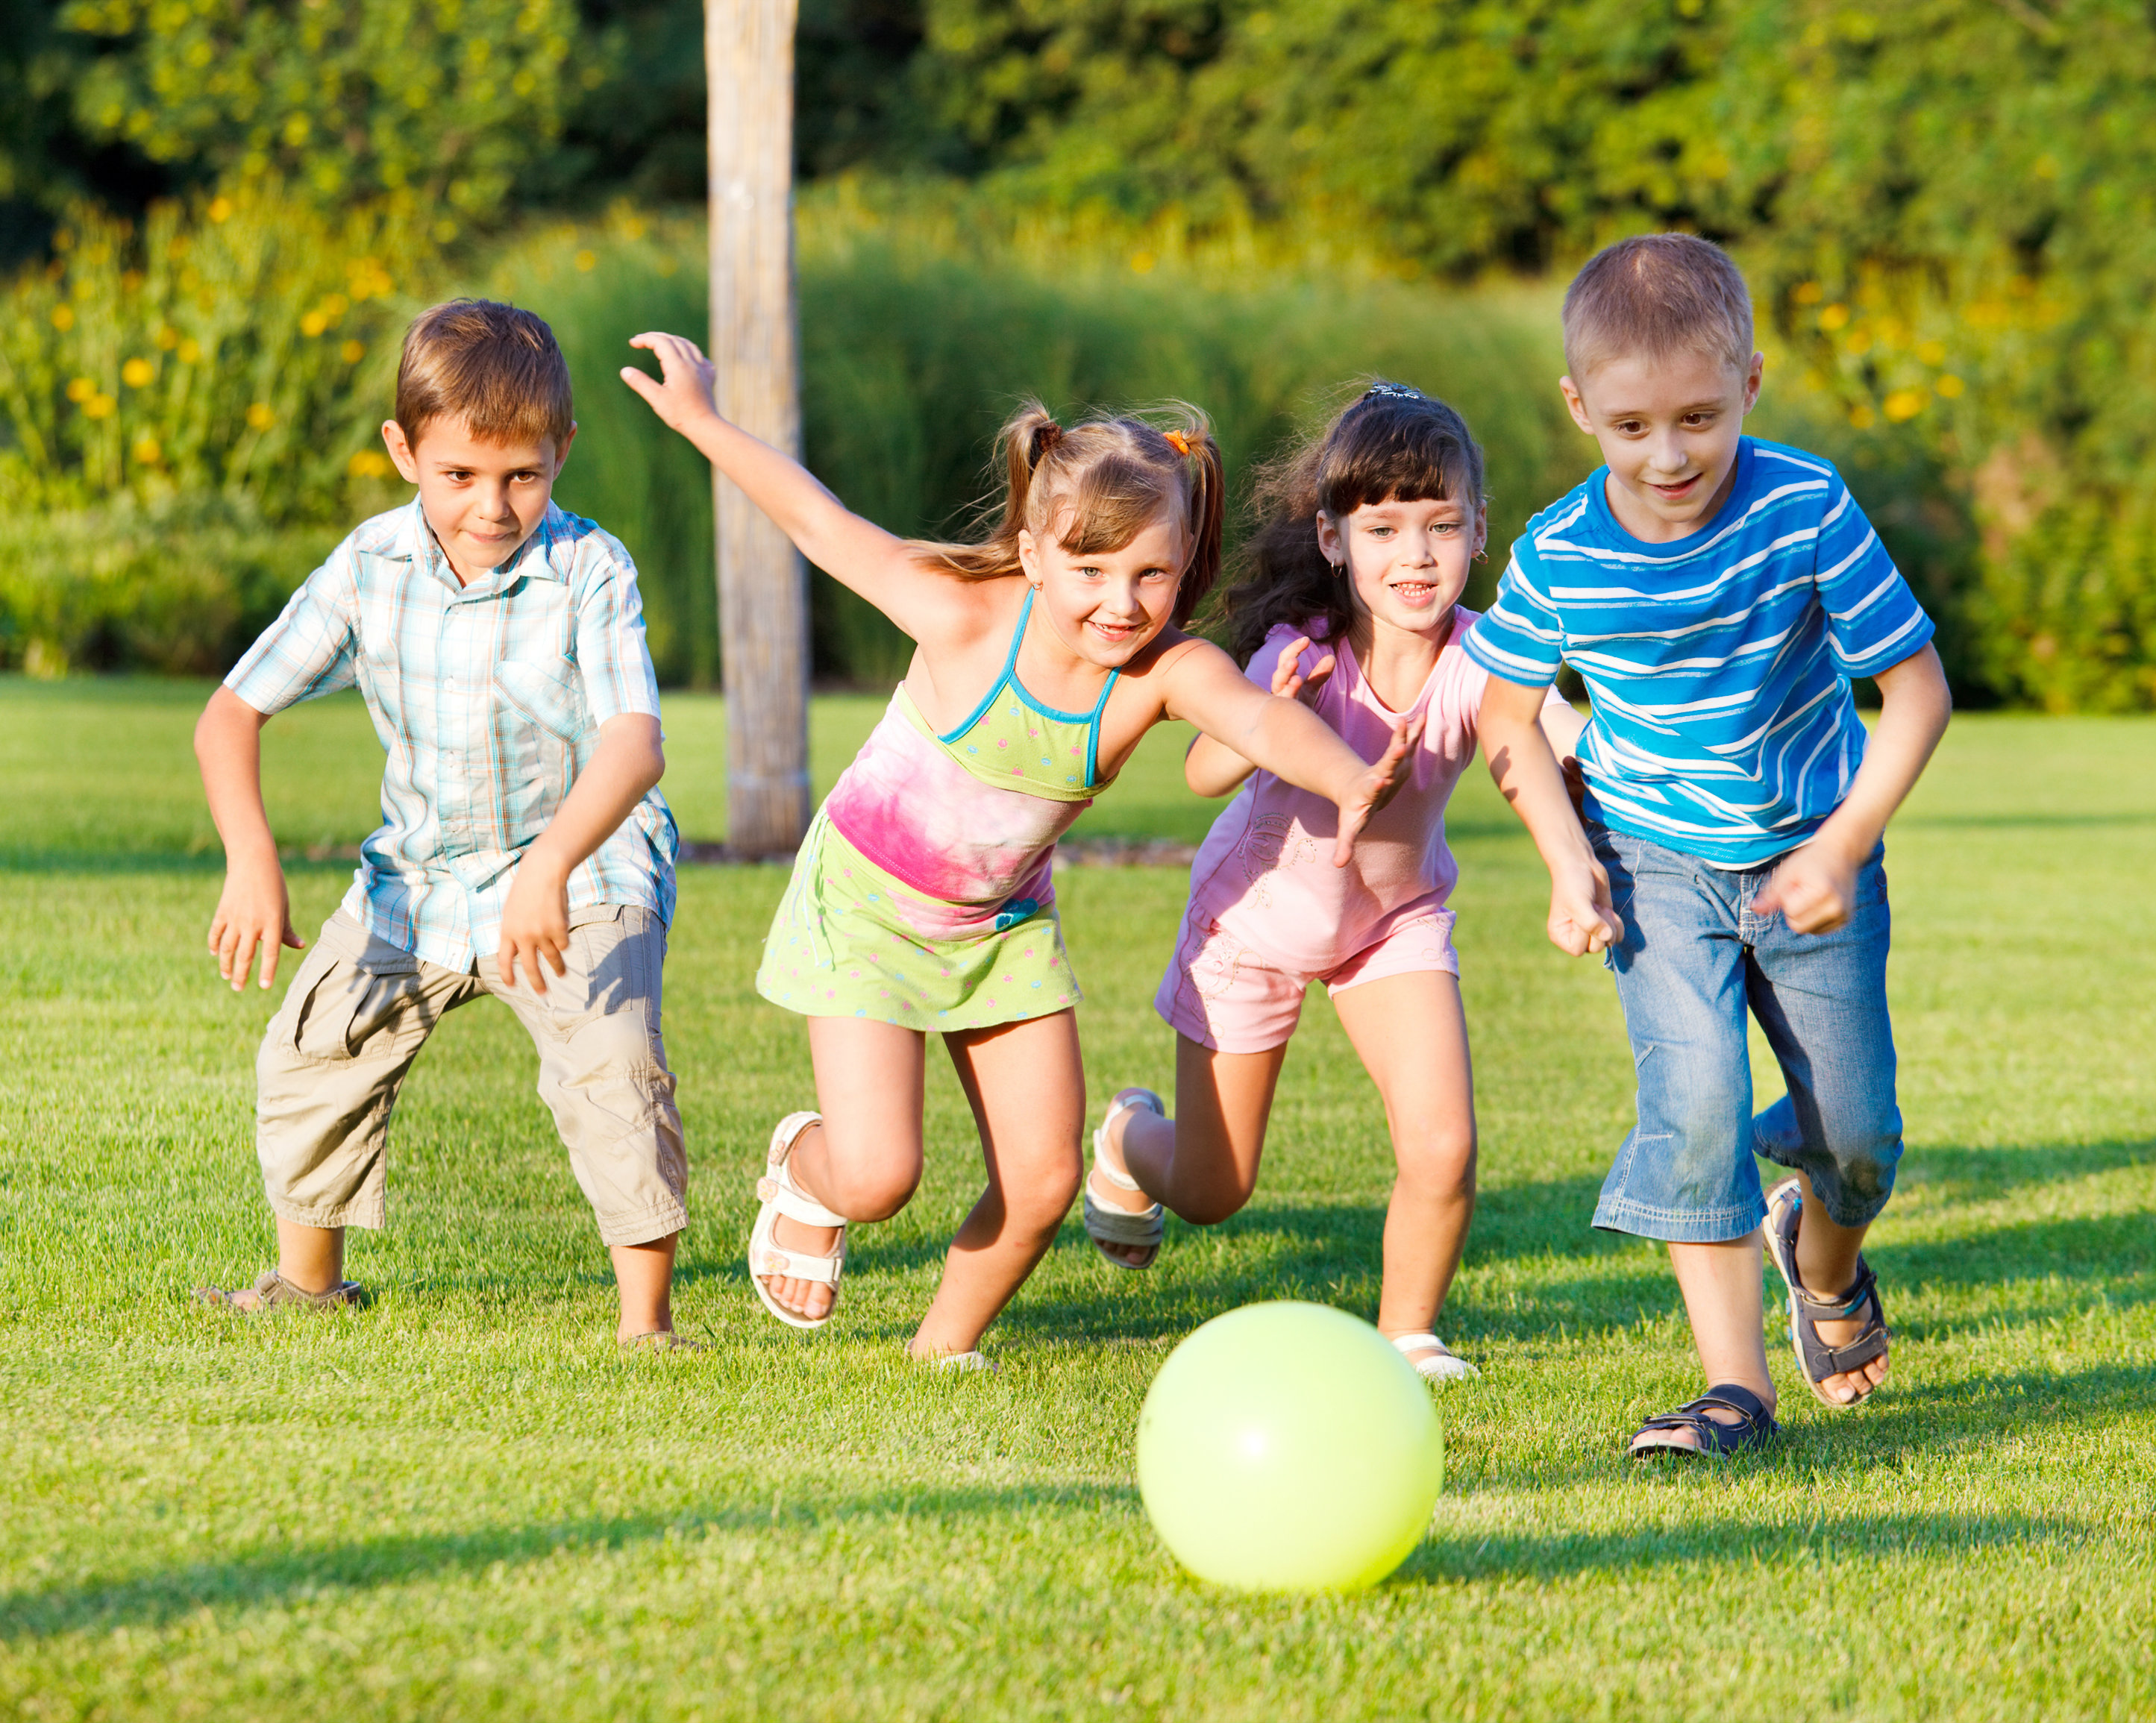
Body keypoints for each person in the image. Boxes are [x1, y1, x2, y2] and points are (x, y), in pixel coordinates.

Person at [621, 331, 1416, 1368]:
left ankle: (938, 1348)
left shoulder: (1159, 672)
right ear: (1035, 551)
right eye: (1089, 568)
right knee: (878, 1173)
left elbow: (1257, 720)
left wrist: (1349, 776)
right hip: (865, 906)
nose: (1119, 603)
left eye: (1151, 575)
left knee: (1041, 1180)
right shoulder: (958, 614)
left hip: (999, 930)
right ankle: (810, 1174)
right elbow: (819, 522)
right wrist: (701, 421)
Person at [1471, 234, 1952, 1455]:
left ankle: (1823, 1256)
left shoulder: (1804, 507)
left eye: (1697, 415)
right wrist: (1565, 858)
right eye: (1630, 426)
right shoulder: (1559, 552)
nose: (1668, 454)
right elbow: (1503, 713)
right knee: (1692, 1103)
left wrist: (1844, 845)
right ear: (1579, 407)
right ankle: (1735, 1387)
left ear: (1749, 381)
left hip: (1808, 859)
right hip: (1652, 864)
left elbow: (1916, 691)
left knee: (1856, 1135)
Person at [192, 299, 694, 1349]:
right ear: (404, 451)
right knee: (315, 1046)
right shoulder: (369, 566)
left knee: (610, 1065)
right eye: (460, 475)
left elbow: (634, 744)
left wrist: (553, 861)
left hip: (583, 866)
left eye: (523, 475)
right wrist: (251, 857)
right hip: (418, 879)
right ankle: (307, 1284)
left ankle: (645, 1325)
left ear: (562, 450)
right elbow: (231, 712)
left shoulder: (590, 571)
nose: (492, 505)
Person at [1083, 384, 1584, 1383]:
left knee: (1442, 1144)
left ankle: (1407, 1334)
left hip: (1389, 925)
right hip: (1252, 924)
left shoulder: (1486, 653)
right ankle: (1126, 1139)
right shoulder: (1300, 652)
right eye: (1385, 527)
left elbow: (1545, 742)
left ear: (1479, 531)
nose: (1416, 555)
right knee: (1213, 1187)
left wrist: (1593, 821)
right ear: (1331, 536)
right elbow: (1202, 773)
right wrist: (1262, 710)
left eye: (1441, 525)